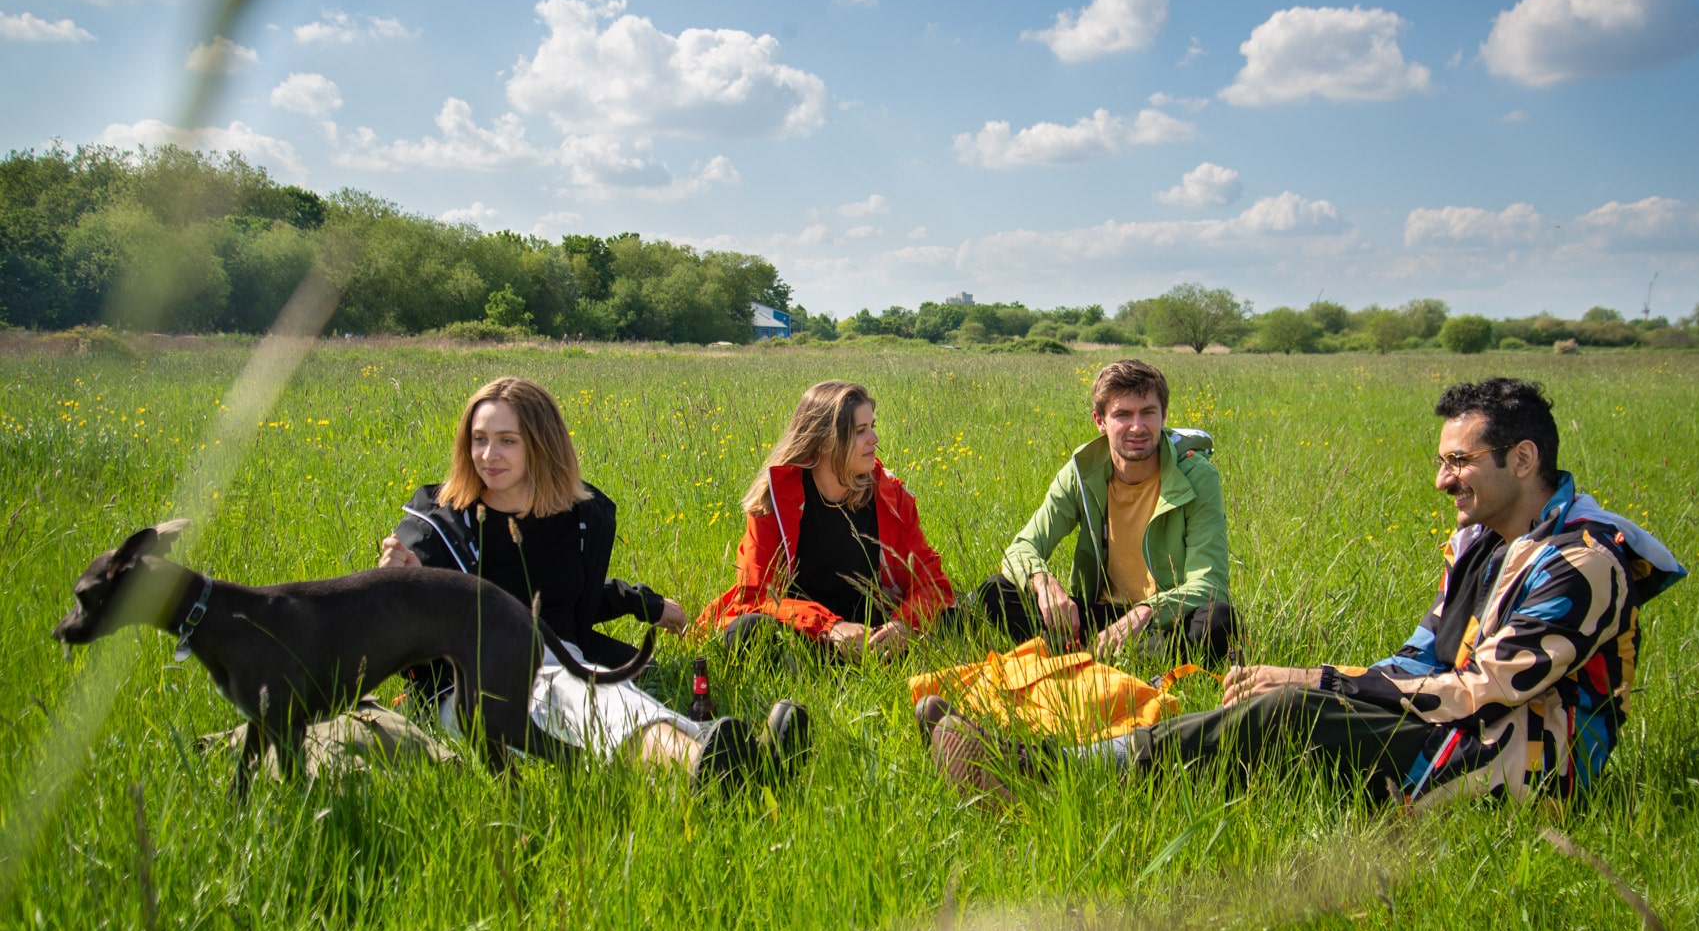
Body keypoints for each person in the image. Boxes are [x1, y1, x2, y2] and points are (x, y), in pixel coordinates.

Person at [923, 377, 1685, 809]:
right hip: (1463, 725)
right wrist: (1320, 679)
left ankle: (1055, 775)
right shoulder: (1485, 541)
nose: (1442, 479)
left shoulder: (1583, 563)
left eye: (1459, 461)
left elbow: (1482, 692)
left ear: (1522, 460)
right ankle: (1069, 760)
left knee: (1290, 712)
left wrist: (1316, 683)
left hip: (1527, 765)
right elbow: (1420, 661)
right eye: (1442, 460)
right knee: (1282, 708)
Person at [378, 377, 809, 784]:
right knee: (579, 695)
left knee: (601, 691)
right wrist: (401, 588)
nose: (489, 454)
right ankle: (714, 762)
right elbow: (393, 641)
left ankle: (718, 767)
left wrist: (647, 604)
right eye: (479, 439)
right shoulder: (438, 528)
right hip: (473, 685)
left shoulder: (574, 518)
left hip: (564, 661)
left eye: (507, 441)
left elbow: (570, 600)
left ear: (542, 444)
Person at [975, 358, 1237, 661]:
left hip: (1163, 619)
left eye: (1148, 413)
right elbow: (1022, 548)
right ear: (1100, 421)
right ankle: (1108, 654)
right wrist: (1043, 583)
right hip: (1098, 614)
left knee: (1219, 620)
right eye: (1122, 414)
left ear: (1163, 416)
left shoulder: (1197, 475)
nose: (1137, 427)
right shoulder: (1082, 471)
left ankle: (1093, 656)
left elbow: (1210, 583)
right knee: (995, 591)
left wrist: (1145, 612)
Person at [697, 380, 955, 662]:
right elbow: (756, 596)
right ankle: (803, 675)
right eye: (860, 431)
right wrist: (831, 628)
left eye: (872, 426)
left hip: (876, 634)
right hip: (807, 634)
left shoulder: (891, 497)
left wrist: (904, 625)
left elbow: (932, 583)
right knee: (747, 631)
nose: (874, 439)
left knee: (958, 617)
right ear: (825, 441)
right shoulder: (776, 502)